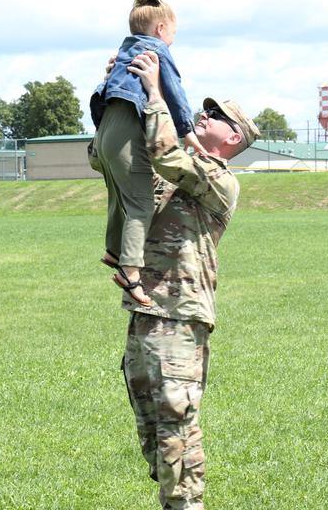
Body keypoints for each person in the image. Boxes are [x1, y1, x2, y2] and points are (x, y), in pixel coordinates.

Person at [101, 51, 260, 510]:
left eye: (215, 115)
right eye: (204, 108)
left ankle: (188, 505)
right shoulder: (175, 173)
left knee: (176, 419)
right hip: (146, 311)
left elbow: (167, 155)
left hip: (180, 317)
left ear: (233, 136)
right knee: (153, 432)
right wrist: (116, 95)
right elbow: (110, 160)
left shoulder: (218, 179)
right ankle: (176, 500)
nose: (203, 114)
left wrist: (154, 92)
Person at [91, 0, 206, 307]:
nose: (172, 40)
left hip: (105, 132)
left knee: (119, 196)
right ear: (160, 29)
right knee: (141, 204)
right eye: (173, 34)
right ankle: (131, 274)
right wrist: (189, 133)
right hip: (127, 132)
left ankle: (114, 250)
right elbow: (175, 91)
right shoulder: (157, 50)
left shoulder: (123, 52)